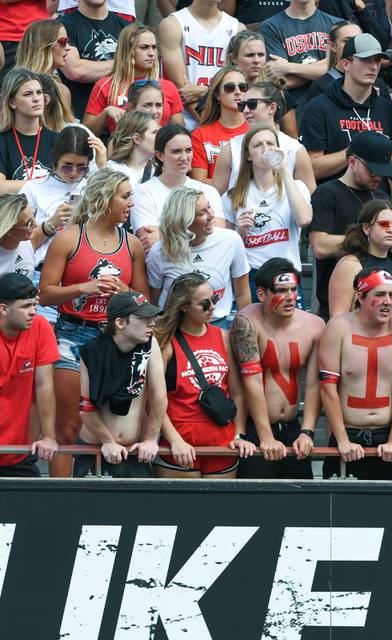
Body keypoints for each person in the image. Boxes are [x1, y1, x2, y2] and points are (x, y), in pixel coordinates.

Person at [38, 168, 148, 477]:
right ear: (104, 198)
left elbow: (143, 302)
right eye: (125, 197)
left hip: (116, 340)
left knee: (110, 424)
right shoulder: (69, 238)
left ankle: (100, 493)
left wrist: (125, 292)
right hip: (72, 334)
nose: (131, 204)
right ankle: (61, 498)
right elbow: (44, 295)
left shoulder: (132, 244)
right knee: (67, 425)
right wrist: (82, 288)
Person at [317, 267, 392, 479]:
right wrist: (342, 440)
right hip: (349, 432)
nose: (388, 301)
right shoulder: (338, 327)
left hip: (388, 433)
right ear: (360, 297)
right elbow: (328, 388)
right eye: (380, 294)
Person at [152, 272, 255, 478]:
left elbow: (237, 392)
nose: (213, 307)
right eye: (205, 304)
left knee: (219, 509)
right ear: (183, 306)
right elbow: (154, 399)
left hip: (223, 441)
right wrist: (174, 440)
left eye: (215, 299)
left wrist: (239, 434)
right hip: (181, 444)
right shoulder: (165, 342)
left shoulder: (223, 337)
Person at [230, 258, 325, 478]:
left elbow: (313, 385)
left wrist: (307, 432)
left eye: (294, 289)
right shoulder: (246, 322)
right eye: (281, 290)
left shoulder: (314, 325)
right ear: (262, 294)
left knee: (301, 501)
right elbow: (251, 381)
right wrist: (265, 437)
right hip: (256, 427)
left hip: (293, 427)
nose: (290, 297)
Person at [74, 291, 165, 477]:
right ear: (120, 323)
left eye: (152, 317)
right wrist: (107, 441)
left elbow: (159, 397)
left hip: (135, 450)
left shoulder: (150, 344)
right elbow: (86, 408)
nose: (152, 323)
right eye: (143, 318)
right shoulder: (92, 351)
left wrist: (150, 439)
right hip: (96, 448)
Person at [308, 131, 392, 319]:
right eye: (372, 170)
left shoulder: (383, 197)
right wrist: (370, 237)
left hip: (383, 301)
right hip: (337, 305)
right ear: (352, 161)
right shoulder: (327, 194)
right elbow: (320, 246)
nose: (378, 177)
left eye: (383, 171)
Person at [222, 124, 312, 302]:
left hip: (287, 274)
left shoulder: (296, 186)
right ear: (248, 155)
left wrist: (285, 171)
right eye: (258, 145)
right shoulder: (232, 195)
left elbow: (304, 219)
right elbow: (226, 249)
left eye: (270, 144)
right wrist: (239, 232)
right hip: (251, 276)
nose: (265, 149)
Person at [147, 186, 250, 328]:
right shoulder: (159, 252)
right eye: (202, 213)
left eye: (209, 207)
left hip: (219, 324)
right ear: (185, 221)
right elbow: (153, 301)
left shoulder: (231, 240)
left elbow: (243, 293)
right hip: (175, 326)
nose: (211, 215)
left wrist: (244, 331)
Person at [300, 33, 392, 184]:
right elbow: (310, 168)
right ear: (345, 64)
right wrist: (355, 150)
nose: (374, 66)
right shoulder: (318, 107)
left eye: (377, 60)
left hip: (377, 200)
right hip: (334, 199)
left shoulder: (387, 109)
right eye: (366, 60)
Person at [130, 124, 225, 253]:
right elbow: (149, 242)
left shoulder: (208, 191)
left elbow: (219, 236)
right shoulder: (142, 193)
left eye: (188, 150)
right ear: (160, 155)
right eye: (176, 151)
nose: (184, 157)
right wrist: (199, 232)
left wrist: (164, 236)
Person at [0, 273, 59, 477]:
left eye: (34, 305)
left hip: (20, 452)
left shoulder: (41, 326)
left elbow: (45, 386)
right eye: (26, 306)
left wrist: (49, 436)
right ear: (3, 309)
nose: (34, 312)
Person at [212, 81, 315, 195]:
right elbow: (216, 198)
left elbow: (310, 198)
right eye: (242, 105)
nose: (245, 110)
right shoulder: (230, 148)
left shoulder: (295, 150)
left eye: (252, 104)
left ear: (272, 107)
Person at [19, 127, 102, 268]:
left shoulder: (95, 187)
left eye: (82, 167)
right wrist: (51, 224)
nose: (74, 173)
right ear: (56, 160)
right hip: (42, 268)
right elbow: (18, 246)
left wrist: (103, 166)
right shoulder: (33, 188)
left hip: (87, 267)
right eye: (67, 167)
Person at [84, 25, 183, 136]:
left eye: (154, 47)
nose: (151, 53)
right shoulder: (105, 85)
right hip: (120, 150)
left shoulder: (168, 87)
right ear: (128, 50)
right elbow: (87, 134)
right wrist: (106, 112)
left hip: (158, 150)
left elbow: (178, 133)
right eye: (144, 47)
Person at [160, 0, 244, 130]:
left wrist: (206, 91)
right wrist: (211, 127)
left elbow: (241, 86)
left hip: (226, 123)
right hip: (185, 124)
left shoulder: (237, 28)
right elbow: (183, 89)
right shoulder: (173, 24)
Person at [329, 200, 392, 317]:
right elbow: (338, 319)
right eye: (384, 224)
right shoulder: (350, 264)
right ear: (366, 228)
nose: (390, 229)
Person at [258, 0, 341, 108]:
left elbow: (342, 66)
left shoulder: (337, 25)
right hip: (294, 109)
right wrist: (325, 69)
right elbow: (281, 80)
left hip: (333, 105)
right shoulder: (270, 26)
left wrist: (288, 67)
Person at [56, 0, 131, 119]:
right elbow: (76, 70)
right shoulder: (63, 27)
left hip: (123, 118)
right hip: (79, 118)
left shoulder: (127, 27)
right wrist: (125, 63)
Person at [0, 69, 58, 193]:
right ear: (12, 102)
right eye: (28, 94)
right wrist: (44, 184)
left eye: (39, 92)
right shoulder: (2, 140)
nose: (36, 99)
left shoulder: (59, 140)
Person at [190, 66, 250, 183]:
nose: (238, 92)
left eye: (243, 87)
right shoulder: (199, 135)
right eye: (230, 88)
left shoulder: (258, 131)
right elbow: (199, 183)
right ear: (217, 95)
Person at [15, 19, 73, 115]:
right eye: (63, 41)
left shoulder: (62, 90)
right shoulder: (16, 86)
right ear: (43, 46)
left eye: (68, 41)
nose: (68, 47)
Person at [305, 21, 364, 102]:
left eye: (358, 40)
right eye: (347, 41)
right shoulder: (322, 85)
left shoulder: (373, 80)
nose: (354, 45)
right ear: (333, 46)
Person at [0, 0, 49, 85]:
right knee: (11, 91)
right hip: (12, 36)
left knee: (43, 89)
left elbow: (52, 6)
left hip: (41, 34)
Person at [105, 111, 159, 186]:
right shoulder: (111, 169)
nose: (160, 136)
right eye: (154, 132)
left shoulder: (162, 170)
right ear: (137, 138)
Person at [0, 194, 37, 291]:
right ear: (8, 230)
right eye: (28, 223)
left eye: (34, 215)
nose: (36, 224)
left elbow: (43, 231)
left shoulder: (26, 240)